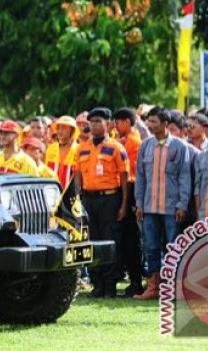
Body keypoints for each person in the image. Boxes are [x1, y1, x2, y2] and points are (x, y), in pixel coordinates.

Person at [133, 107, 191, 300]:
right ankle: (153, 288)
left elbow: (184, 177)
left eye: (154, 122)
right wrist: (139, 203)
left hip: (171, 208)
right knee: (150, 247)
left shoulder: (180, 147)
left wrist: (182, 204)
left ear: (166, 124)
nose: (150, 125)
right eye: (148, 121)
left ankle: (173, 288)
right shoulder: (145, 146)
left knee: (173, 247)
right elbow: (140, 177)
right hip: (149, 207)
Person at [74, 108, 129, 298]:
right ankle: (97, 284)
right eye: (91, 121)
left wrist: (123, 205)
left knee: (110, 241)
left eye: (98, 121)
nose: (94, 125)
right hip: (89, 200)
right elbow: (77, 176)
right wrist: (78, 200)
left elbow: (124, 178)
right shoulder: (82, 148)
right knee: (92, 241)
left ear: (109, 123)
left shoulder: (116, 148)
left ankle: (110, 285)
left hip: (110, 199)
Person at [113, 107, 144, 298]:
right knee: (124, 240)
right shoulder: (120, 141)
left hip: (131, 190)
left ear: (127, 122)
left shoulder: (134, 142)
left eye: (118, 121)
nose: (115, 125)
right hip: (121, 190)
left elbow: (131, 172)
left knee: (132, 240)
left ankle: (135, 282)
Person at [45, 116, 79, 189]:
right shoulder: (51, 149)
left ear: (72, 130)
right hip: (52, 192)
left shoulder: (79, 150)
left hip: (71, 194)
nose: (59, 131)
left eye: (63, 128)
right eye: (58, 128)